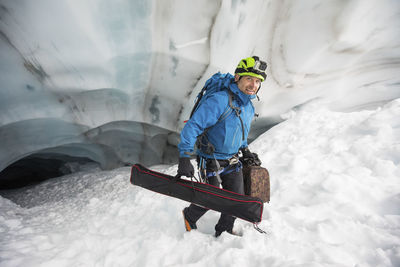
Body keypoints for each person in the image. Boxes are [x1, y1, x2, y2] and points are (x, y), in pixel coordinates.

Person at [177, 56, 267, 237]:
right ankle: (190, 215)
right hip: (210, 159)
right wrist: (184, 156)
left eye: (257, 81)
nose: (253, 84)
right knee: (212, 197)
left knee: (236, 199)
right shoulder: (219, 100)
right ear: (237, 77)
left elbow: (240, 132)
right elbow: (193, 126)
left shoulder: (248, 106)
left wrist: (245, 150)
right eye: (249, 78)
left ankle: (224, 230)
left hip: (233, 160)